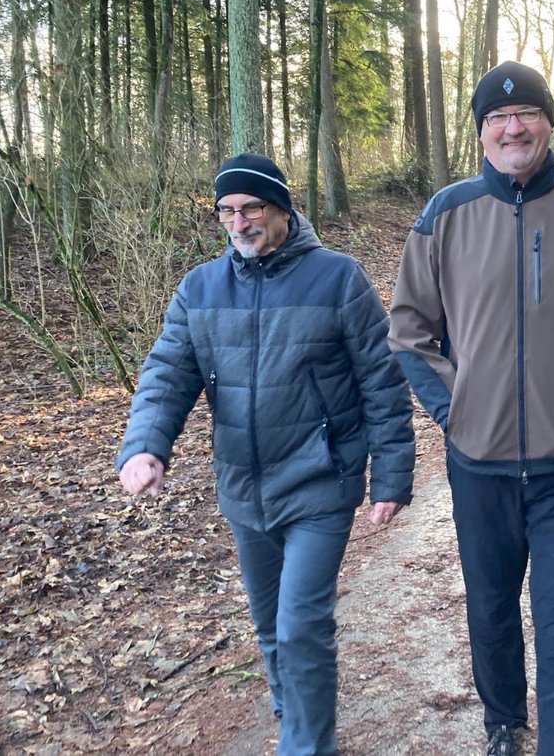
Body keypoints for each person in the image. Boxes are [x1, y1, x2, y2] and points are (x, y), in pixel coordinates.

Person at [388, 62, 554, 756]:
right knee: (491, 607)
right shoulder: (445, 215)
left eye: (527, 114)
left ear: (549, 124)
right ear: (481, 132)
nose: (513, 128)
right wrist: (455, 410)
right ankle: (503, 719)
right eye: (498, 118)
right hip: (478, 463)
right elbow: (409, 329)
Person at [116, 152, 415, 756]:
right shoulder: (200, 288)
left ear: (281, 208)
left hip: (320, 480)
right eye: (226, 210)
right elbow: (167, 374)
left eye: (251, 207)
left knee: (301, 624)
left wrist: (390, 477)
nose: (239, 222)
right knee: (272, 625)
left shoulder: (338, 278)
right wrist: (145, 446)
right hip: (243, 486)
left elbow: (382, 383)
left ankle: (304, 744)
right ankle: (293, 713)